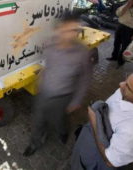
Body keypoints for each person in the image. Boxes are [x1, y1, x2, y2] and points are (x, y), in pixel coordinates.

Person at [71, 66, 133, 169]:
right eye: (126, 80)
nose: (121, 84)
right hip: (87, 142)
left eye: (128, 88)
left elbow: (110, 161)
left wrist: (94, 122)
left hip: (95, 160)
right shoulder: (128, 91)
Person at [23, 12, 92, 157]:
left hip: (64, 96)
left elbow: (85, 79)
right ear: (60, 29)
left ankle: (63, 133)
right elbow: (47, 65)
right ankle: (35, 143)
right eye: (69, 30)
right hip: (44, 93)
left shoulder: (82, 52)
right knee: (38, 120)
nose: (73, 34)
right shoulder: (49, 43)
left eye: (76, 30)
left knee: (60, 121)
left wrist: (76, 100)